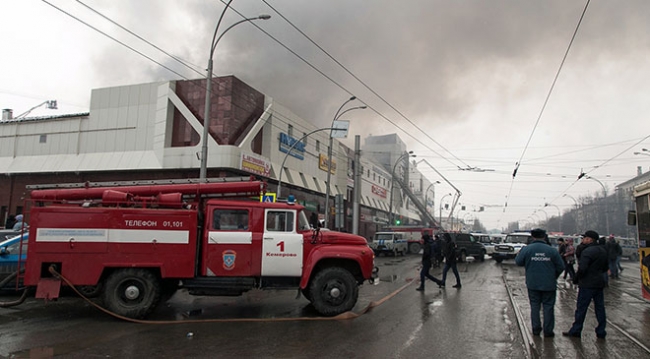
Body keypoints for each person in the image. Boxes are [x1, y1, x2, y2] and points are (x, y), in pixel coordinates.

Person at [515, 228, 565, 337]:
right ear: (544, 236)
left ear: (532, 237)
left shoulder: (527, 249)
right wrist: (553, 276)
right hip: (549, 283)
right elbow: (561, 266)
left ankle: (536, 329)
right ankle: (548, 331)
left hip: (532, 283)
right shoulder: (552, 250)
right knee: (548, 306)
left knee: (534, 306)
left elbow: (518, 262)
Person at [563, 230, 609, 339]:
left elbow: (582, 268)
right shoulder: (603, 250)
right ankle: (601, 331)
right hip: (599, 283)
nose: (582, 240)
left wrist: (576, 278)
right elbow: (605, 267)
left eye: (584, 238)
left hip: (587, 284)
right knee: (600, 308)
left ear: (590, 239)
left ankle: (576, 330)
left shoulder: (587, 251)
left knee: (581, 308)